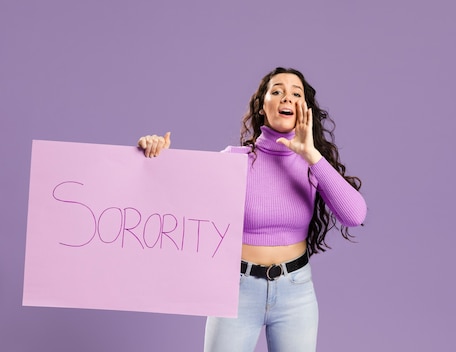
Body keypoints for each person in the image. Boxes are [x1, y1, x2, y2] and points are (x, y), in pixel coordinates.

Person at [138, 67, 367, 352]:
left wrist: (312, 155)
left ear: (304, 110)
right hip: (237, 291)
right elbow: (175, 197)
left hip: (296, 293)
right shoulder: (234, 162)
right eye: (277, 91)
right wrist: (155, 157)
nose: (287, 97)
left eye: (296, 93)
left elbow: (355, 215)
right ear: (262, 106)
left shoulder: (312, 164)